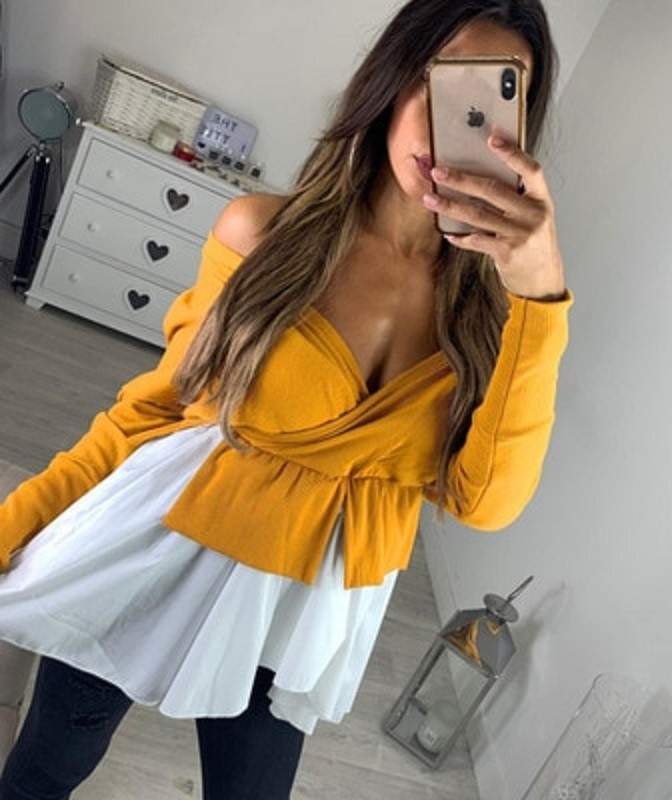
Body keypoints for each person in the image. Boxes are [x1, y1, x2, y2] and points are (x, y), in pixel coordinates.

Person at [0, 0, 571, 796]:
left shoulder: (498, 317)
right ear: (393, 80)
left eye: (486, 99)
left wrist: (540, 294)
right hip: (156, 546)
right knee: (42, 774)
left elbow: (485, 502)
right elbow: (154, 415)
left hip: (298, 612)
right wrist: (15, 523)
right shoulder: (260, 234)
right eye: (439, 82)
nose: (450, 127)